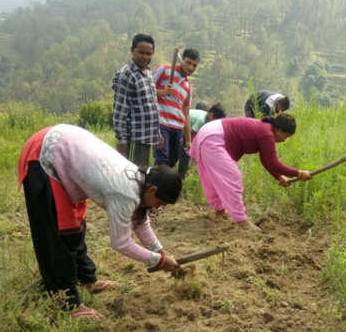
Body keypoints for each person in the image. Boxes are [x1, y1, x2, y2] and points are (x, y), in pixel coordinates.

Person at [18, 124, 182, 319]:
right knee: (59, 234)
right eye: (160, 203)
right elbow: (120, 243)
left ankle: (88, 280)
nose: (157, 208)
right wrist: (159, 261)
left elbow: (140, 221)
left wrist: (159, 251)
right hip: (45, 155)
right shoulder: (124, 192)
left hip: (68, 152)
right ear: (153, 190)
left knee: (74, 227)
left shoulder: (141, 180)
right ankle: (67, 303)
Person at [190, 113, 311, 231]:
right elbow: (274, 163)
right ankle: (241, 220)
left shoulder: (265, 130)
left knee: (212, 177)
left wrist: (279, 177)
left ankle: (219, 212)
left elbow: (266, 160)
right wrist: (299, 173)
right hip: (213, 136)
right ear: (279, 129)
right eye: (285, 135)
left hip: (208, 132)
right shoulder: (267, 134)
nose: (284, 140)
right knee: (233, 176)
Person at [112, 34, 160, 167]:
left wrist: (157, 133)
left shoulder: (148, 72)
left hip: (146, 137)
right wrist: (122, 141)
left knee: (142, 173)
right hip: (134, 138)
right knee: (132, 174)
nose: (145, 57)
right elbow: (120, 111)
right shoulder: (126, 74)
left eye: (149, 54)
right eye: (141, 53)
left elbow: (153, 104)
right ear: (132, 51)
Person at [153, 48, 200, 179]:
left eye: (194, 65)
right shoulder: (164, 70)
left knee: (173, 160)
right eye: (188, 62)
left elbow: (185, 113)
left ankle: (154, 179)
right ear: (182, 59)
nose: (191, 67)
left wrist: (189, 140)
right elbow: (145, 90)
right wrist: (163, 93)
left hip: (177, 128)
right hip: (161, 123)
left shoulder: (188, 86)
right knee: (162, 160)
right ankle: (157, 189)